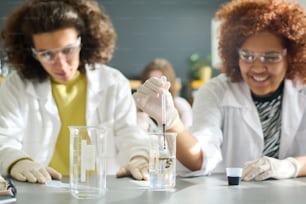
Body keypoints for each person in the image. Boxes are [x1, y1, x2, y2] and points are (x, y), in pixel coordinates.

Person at [134, 0, 306, 180]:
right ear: (234, 53)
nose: (257, 67)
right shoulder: (216, 91)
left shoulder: (303, 88)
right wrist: (170, 121)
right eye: (247, 56)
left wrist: (292, 166)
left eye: (270, 57)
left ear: (292, 56)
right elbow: (199, 157)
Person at [0, 0, 149, 184]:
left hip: (99, 188)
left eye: (68, 50)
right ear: (31, 52)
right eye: (46, 54)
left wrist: (139, 158)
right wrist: (18, 162)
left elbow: (129, 134)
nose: (60, 64)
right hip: (41, 188)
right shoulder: (18, 84)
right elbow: (4, 138)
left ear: (83, 41)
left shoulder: (113, 82)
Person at [137, 58, 192, 132]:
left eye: (160, 81)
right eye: (152, 81)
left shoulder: (181, 105)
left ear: (170, 83)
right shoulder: (137, 108)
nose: (157, 87)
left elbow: (188, 135)